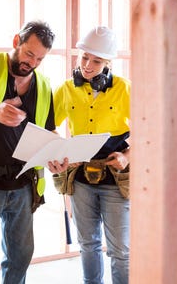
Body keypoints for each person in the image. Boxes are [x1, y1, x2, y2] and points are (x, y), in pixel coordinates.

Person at [0, 20, 69, 284]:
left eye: (40, 58)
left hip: (23, 184)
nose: (31, 63)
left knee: (21, 256)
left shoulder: (42, 85)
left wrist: (57, 155)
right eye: (29, 53)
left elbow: (49, 131)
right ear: (15, 42)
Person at [51, 26, 130, 284]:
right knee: (88, 244)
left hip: (115, 178)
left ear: (108, 63)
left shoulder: (124, 89)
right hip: (81, 178)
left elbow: (152, 129)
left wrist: (128, 156)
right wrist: (60, 151)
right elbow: (46, 126)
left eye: (96, 61)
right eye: (84, 57)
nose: (88, 65)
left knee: (120, 250)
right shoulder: (65, 89)